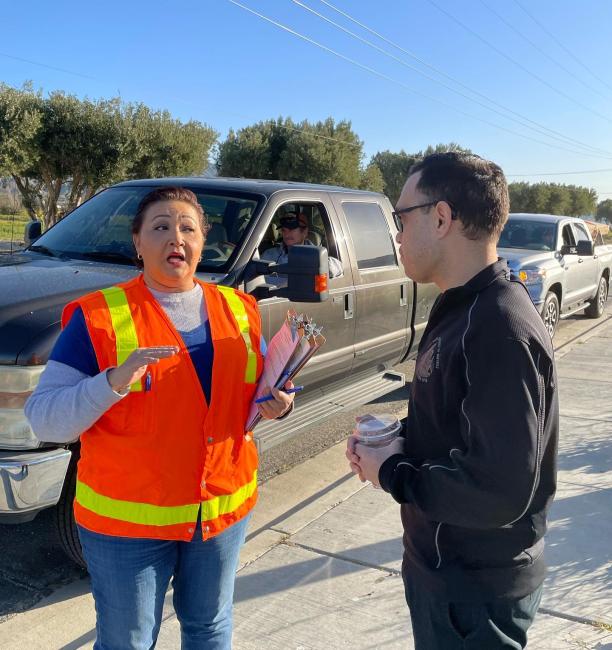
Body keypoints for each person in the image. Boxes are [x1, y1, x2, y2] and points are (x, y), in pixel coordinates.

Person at [25, 186, 294, 649]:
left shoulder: (238, 309)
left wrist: (281, 400)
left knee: (209, 627)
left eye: (188, 227)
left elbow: (261, 388)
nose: (176, 238)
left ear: (203, 240)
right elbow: (46, 421)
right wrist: (110, 380)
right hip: (127, 527)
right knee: (128, 642)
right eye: (161, 227)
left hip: (220, 513)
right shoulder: (98, 317)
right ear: (138, 243)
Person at [346, 153, 558, 650]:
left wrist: (394, 474)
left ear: (441, 218)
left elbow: (501, 488)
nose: (396, 233)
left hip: (475, 593)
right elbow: (457, 424)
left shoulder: (498, 327)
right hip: (444, 574)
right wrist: (396, 442)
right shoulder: (462, 306)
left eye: (401, 218)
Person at [260, 210, 343, 286]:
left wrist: (315, 262)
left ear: (304, 232)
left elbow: (339, 267)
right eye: (284, 230)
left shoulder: (316, 254)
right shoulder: (269, 254)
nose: (286, 233)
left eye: (291, 229)